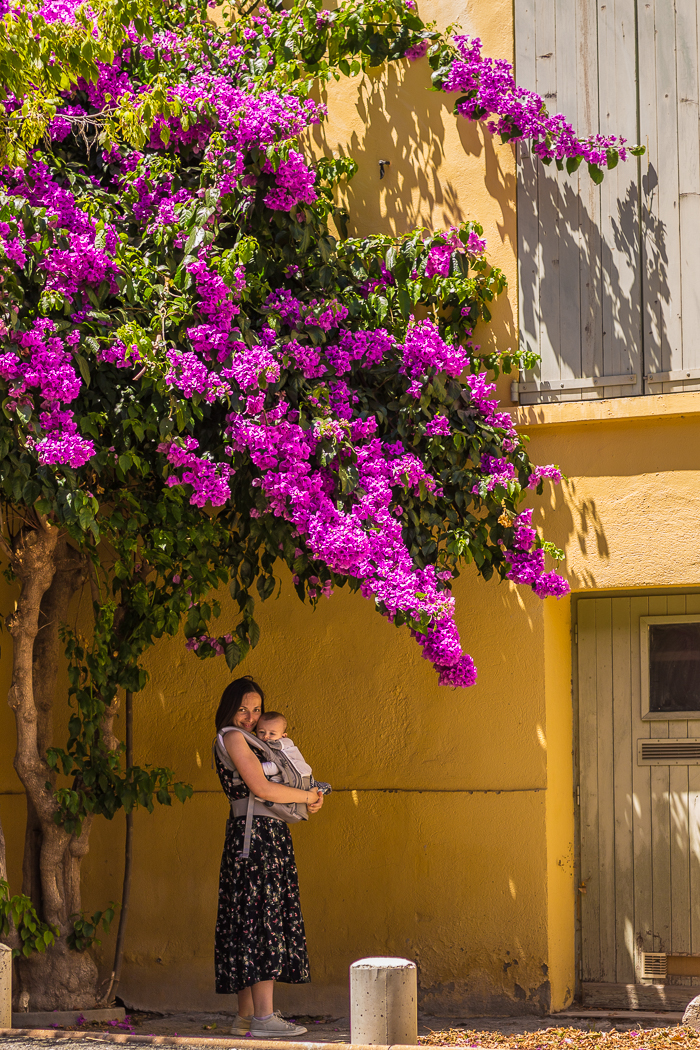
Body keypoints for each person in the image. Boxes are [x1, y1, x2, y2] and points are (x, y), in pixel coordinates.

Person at [214, 676, 324, 1039]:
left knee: (249, 917)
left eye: (256, 709)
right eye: (243, 708)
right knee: (261, 918)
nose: (250, 716)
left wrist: (303, 795)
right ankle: (264, 1018)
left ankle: (245, 1018)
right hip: (255, 837)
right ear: (230, 708)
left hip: (263, 835)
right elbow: (259, 788)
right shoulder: (232, 736)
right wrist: (307, 797)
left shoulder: (253, 739)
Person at [255, 711, 332, 796]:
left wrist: (259, 768)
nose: (266, 736)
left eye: (272, 733)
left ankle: (315, 787)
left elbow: (279, 766)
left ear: (283, 736)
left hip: (295, 776)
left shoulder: (279, 746)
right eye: (261, 732)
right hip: (298, 775)